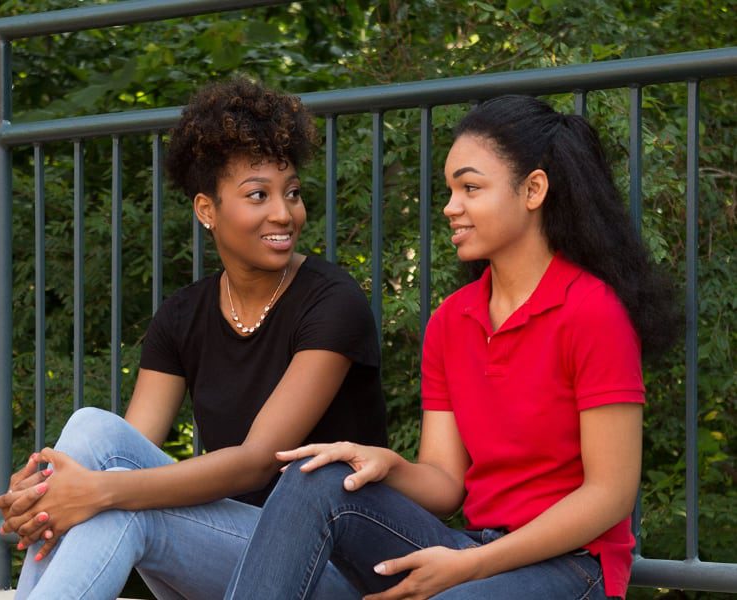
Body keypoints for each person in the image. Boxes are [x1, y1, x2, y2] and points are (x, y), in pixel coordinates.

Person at [223, 95, 679, 600]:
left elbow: (609, 497)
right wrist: (386, 463)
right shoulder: (451, 320)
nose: (450, 206)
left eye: (470, 188)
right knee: (316, 478)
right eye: (450, 189)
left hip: (573, 568)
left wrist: (470, 567)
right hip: (473, 549)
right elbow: (445, 484)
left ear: (533, 190)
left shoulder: (592, 312)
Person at [0, 77, 387, 600]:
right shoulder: (183, 315)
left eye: (291, 193)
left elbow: (259, 458)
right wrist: (54, 493)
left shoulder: (332, 302)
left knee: (118, 509)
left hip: (329, 562)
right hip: (232, 550)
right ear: (206, 210)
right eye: (258, 195)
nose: (284, 214)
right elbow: (125, 449)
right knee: (93, 440)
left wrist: (93, 492)